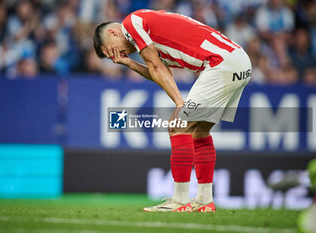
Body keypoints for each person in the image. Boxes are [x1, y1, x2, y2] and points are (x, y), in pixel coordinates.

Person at [93, 9, 252, 213]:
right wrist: (129, 63)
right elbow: (159, 71)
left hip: (220, 63)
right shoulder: (148, 31)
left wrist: (179, 104)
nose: (117, 55)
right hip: (237, 61)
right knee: (200, 132)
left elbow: (157, 68)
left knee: (178, 127)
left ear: (113, 33)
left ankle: (180, 200)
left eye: (112, 50)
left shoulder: (130, 24)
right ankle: (205, 201)